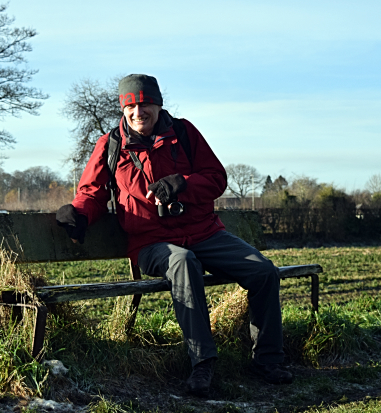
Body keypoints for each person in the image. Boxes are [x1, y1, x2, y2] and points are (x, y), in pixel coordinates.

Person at [56, 74, 292, 396]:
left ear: (157, 104)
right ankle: (202, 364)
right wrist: (79, 213)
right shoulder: (110, 145)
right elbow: (92, 192)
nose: (139, 112)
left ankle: (268, 360)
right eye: (132, 106)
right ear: (124, 109)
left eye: (146, 104)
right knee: (183, 262)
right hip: (150, 242)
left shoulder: (183, 132)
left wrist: (183, 183)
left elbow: (216, 178)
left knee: (264, 271)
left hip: (204, 233)